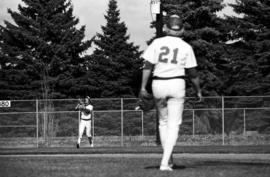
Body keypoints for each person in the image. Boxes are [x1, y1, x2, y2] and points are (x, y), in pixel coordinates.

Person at [140, 14, 202, 171]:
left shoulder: (157, 42)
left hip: (158, 84)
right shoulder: (186, 47)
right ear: (181, 30)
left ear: (166, 28)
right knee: (174, 125)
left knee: (163, 122)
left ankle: (168, 160)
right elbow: (193, 73)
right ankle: (164, 163)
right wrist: (198, 90)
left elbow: (147, 66)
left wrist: (142, 87)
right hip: (176, 83)